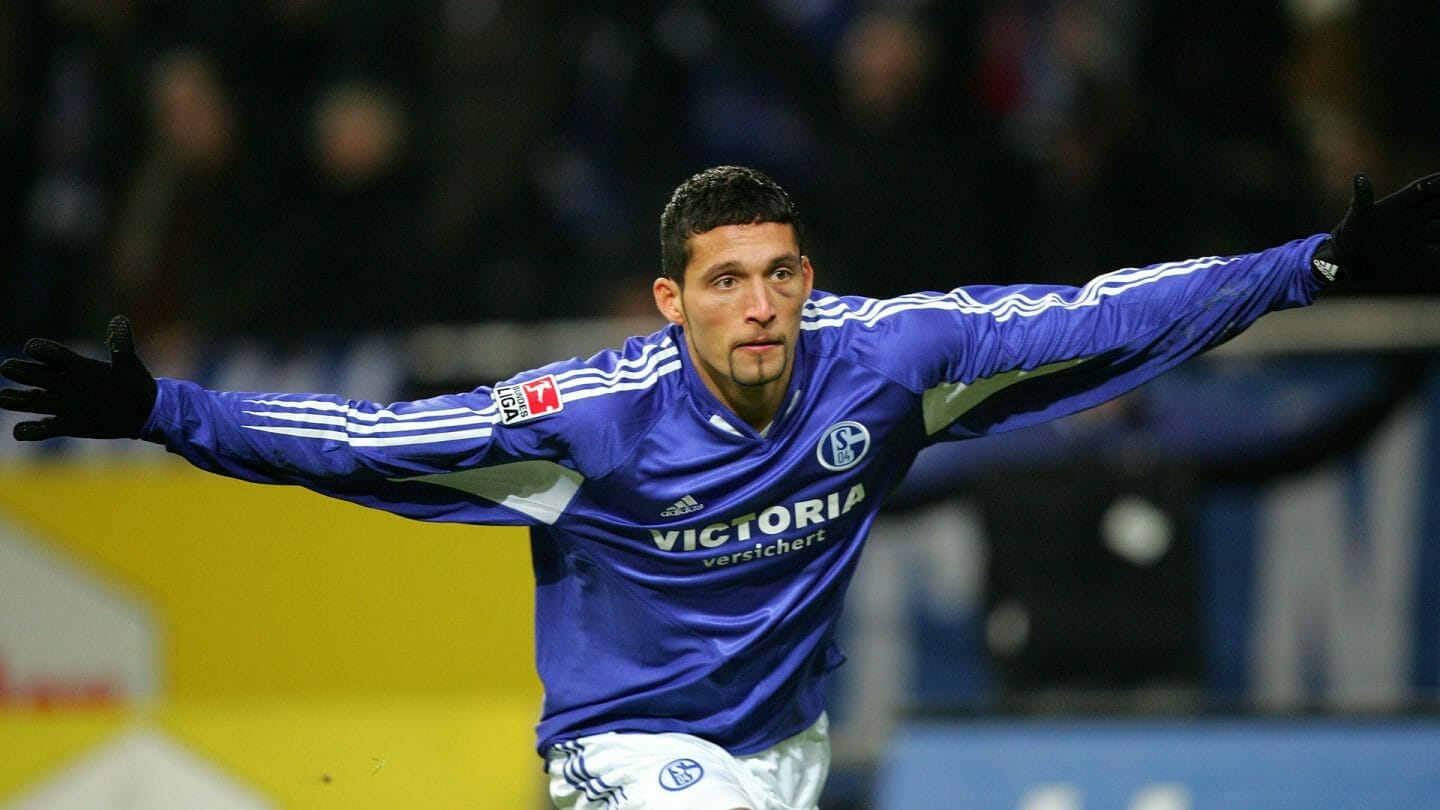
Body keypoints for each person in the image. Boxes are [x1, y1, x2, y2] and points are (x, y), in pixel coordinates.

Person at [3, 165, 1438, 809]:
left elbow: (1101, 313)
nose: (759, 306)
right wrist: (163, 410)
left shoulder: (885, 364)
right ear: (670, 300)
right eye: (726, 280)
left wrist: (1307, 267)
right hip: (625, 751)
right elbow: (372, 439)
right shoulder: (590, 423)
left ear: (810, 278)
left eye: (780, 274)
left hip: (784, 747)